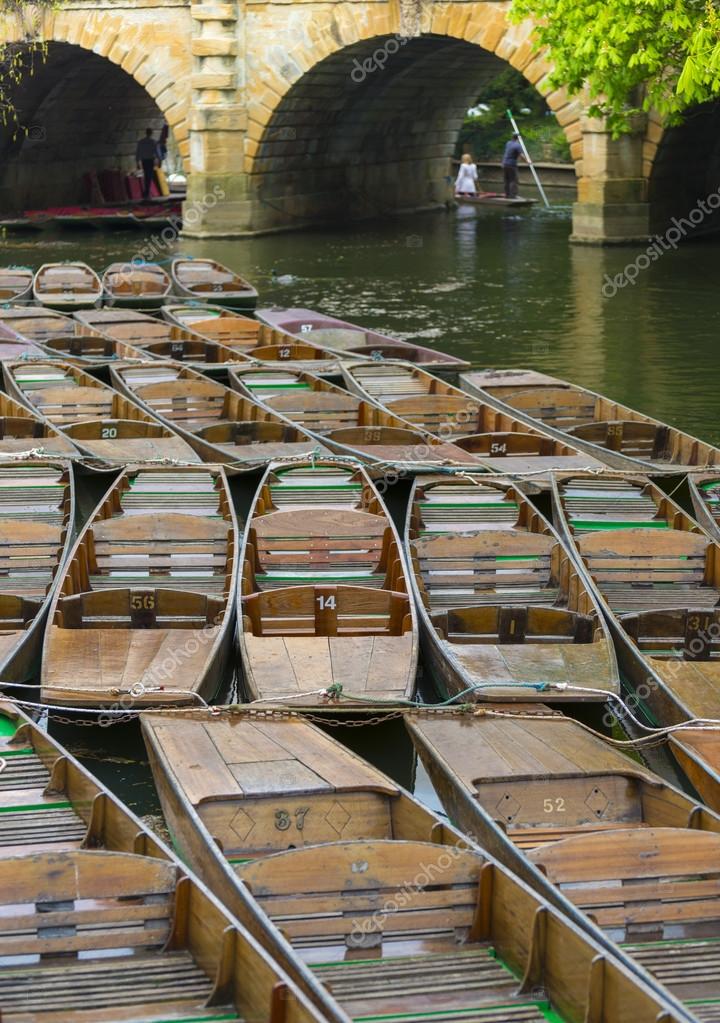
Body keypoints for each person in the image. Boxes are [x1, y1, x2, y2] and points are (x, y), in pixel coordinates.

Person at [136, 128, 160, 200]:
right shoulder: (153, 142)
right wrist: (159, 160)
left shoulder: (141, 142)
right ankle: (147, 192)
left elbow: (138, 152)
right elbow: (157, 152)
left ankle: (146, 191)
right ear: (151, 133)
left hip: (144, 161)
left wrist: (137, 162)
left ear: (145, 133)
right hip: (150, 160)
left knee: (146, 175)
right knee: (149, 176)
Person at [501, 133, 524, 199]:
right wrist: (528, 161)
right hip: (511, 165)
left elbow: (511, 152)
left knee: (506, 180)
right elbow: (521, 155)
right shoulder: (517, 145)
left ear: (512, 137)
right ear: (518, 138)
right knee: (513, 180)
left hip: (504, 164)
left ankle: (507, 195)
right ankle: (512, 196)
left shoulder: (508, 143)